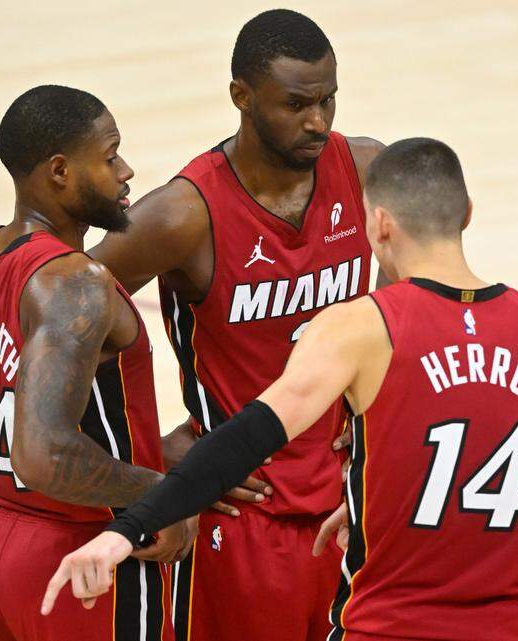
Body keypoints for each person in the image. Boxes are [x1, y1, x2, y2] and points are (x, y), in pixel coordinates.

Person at [43, 137, 518, 641]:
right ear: (467, 215)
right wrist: (419, 507)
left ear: (378, 225)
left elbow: (245, 440)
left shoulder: (360, 326)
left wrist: (126, 530)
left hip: (395, 627)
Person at [87, 10, 385, 640]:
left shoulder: (365, 170)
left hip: (349, 504)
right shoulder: (182, 214)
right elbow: (61, 313)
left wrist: (379, 418)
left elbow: (412, 313)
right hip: (242, 514)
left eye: (329, 100)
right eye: (297, 104)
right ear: (241, 97)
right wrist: (145, 454)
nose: (318, 122)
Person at [0, 85, 195, 641]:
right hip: (81, 557)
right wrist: (159, 494)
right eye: (109, 157)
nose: (126, 170)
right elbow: (44, 452)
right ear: (60, 170)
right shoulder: (74, 282)